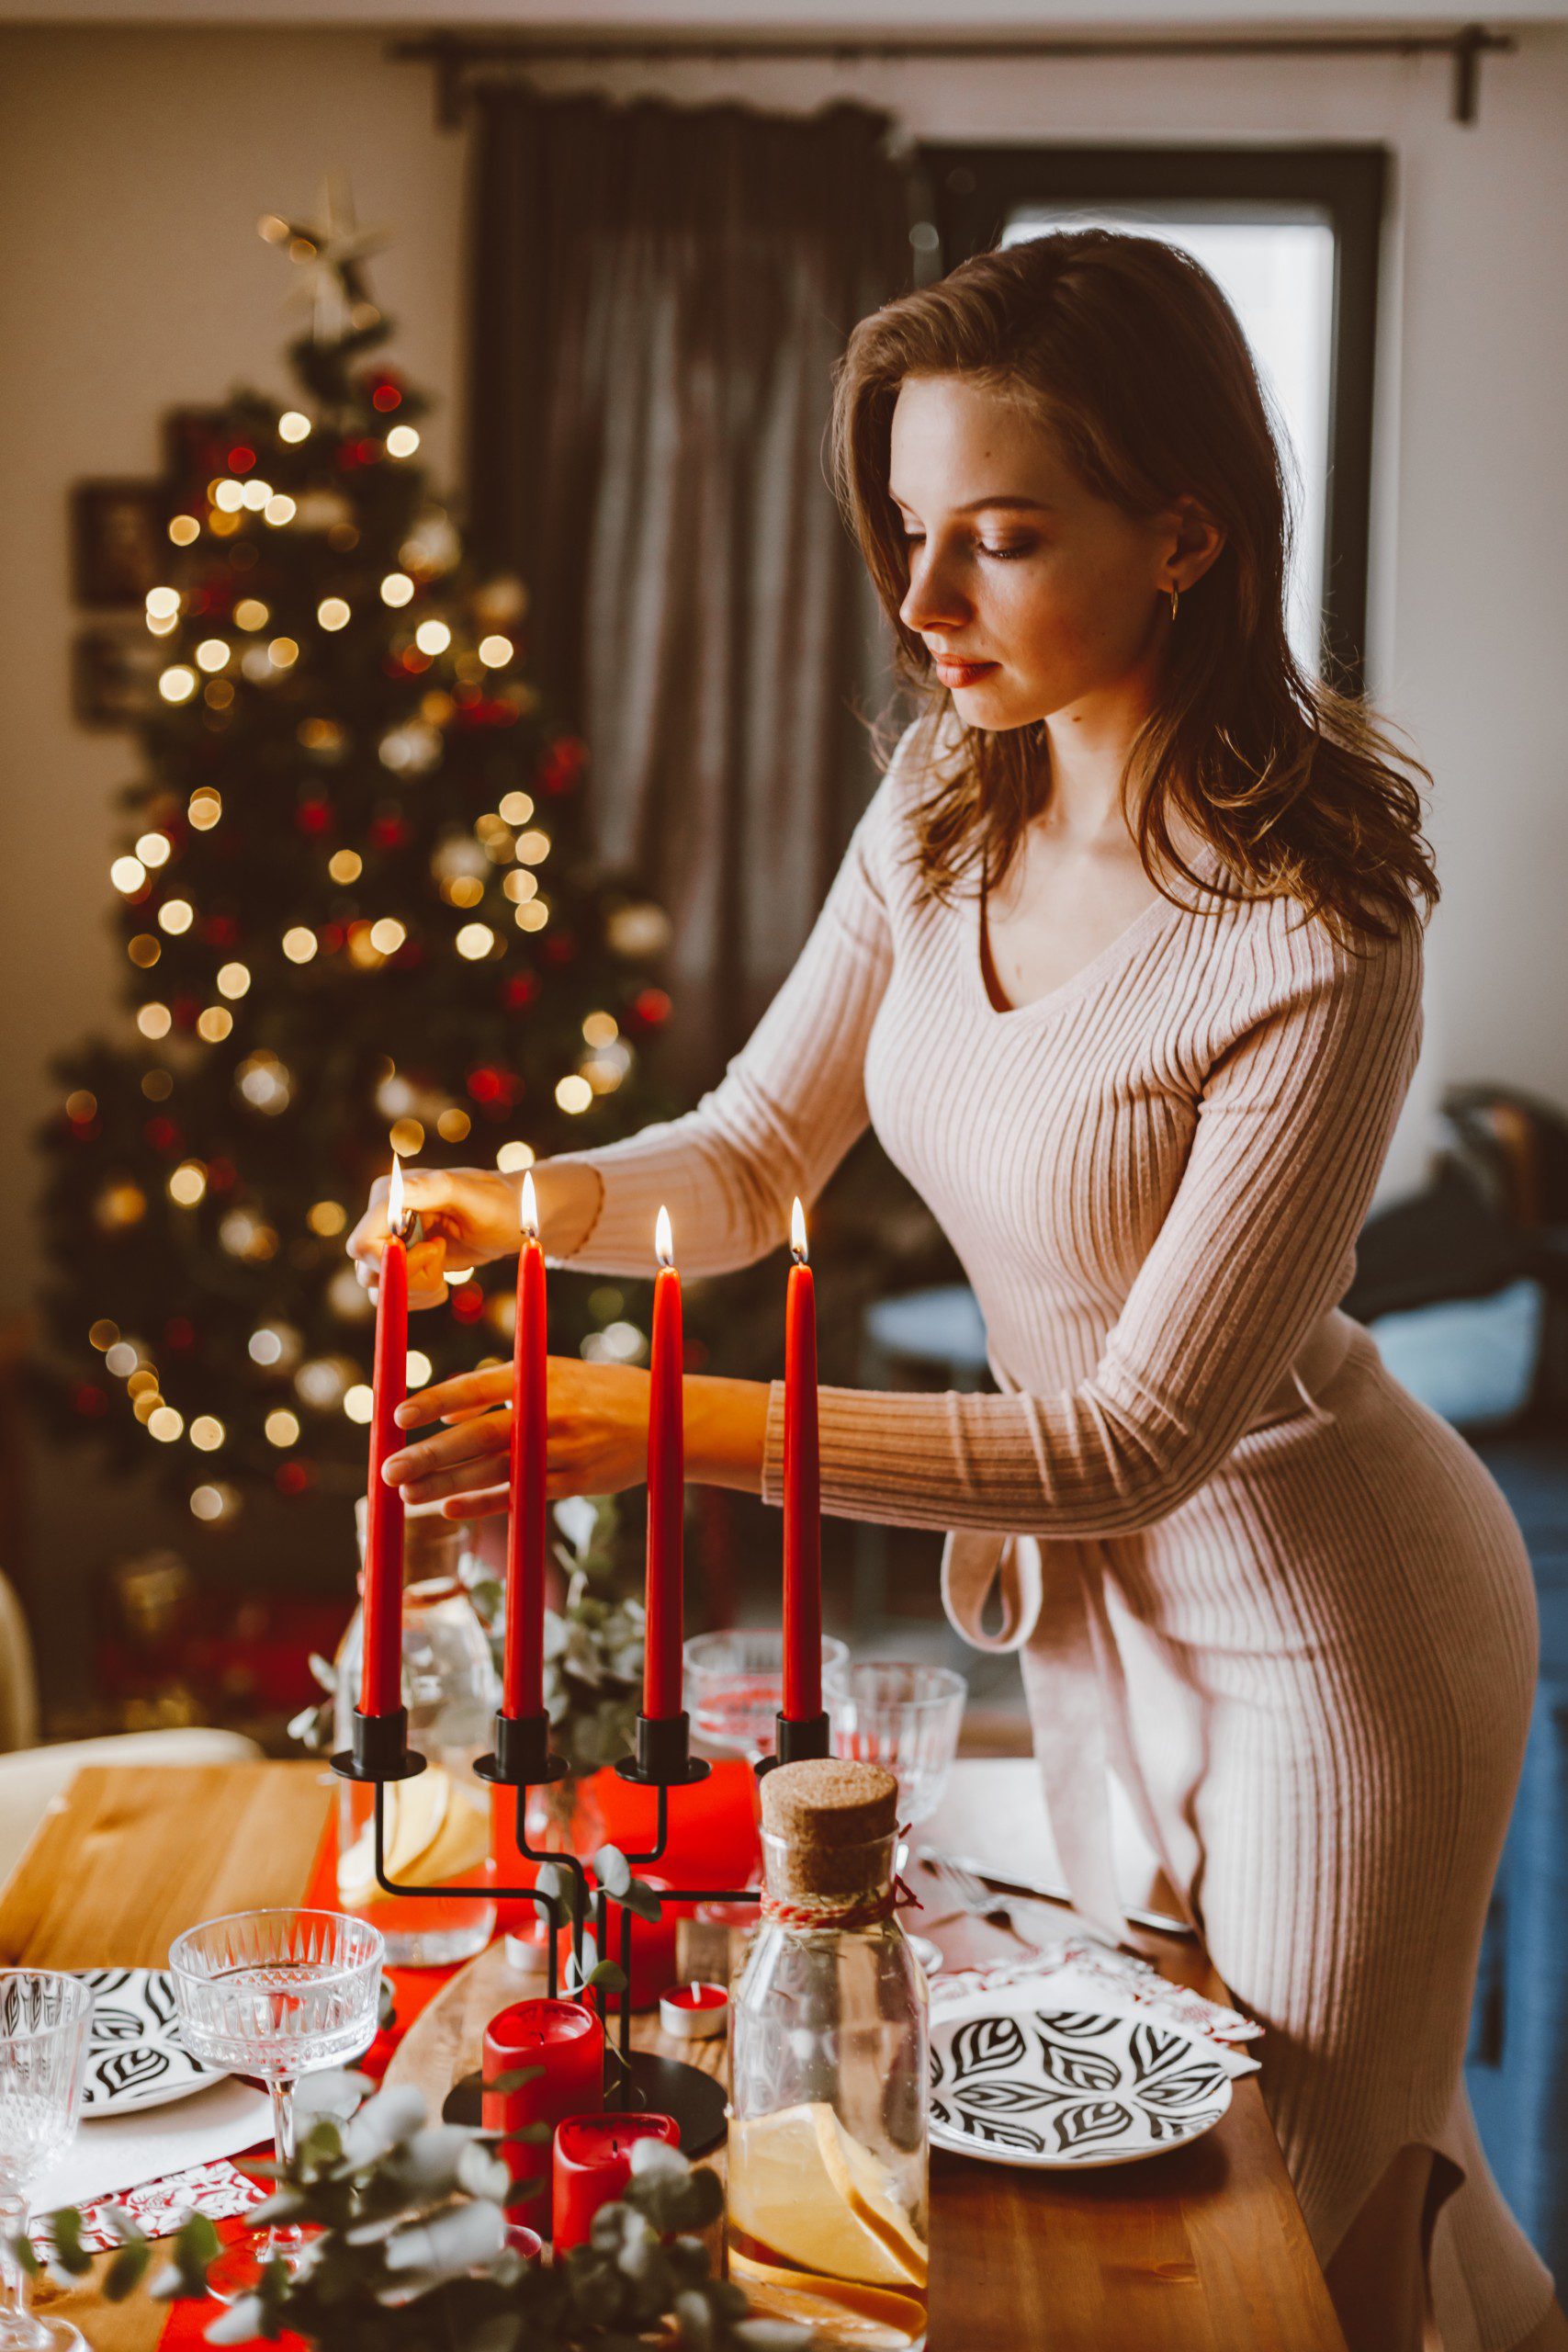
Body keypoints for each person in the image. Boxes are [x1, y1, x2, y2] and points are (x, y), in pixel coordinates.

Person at [348, 232, 1562, 2352]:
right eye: (909, 536)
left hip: (1326, 1627)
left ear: (1184, 529)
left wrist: (678, 1424)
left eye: (997, 541)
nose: (920, 606)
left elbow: (1135, 1436)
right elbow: (743, 1153)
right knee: (1145, 2185)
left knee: (1312, 2215)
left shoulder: (1316, 921)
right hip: (1094, 1617)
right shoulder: (933, 800)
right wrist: (511, 1194)